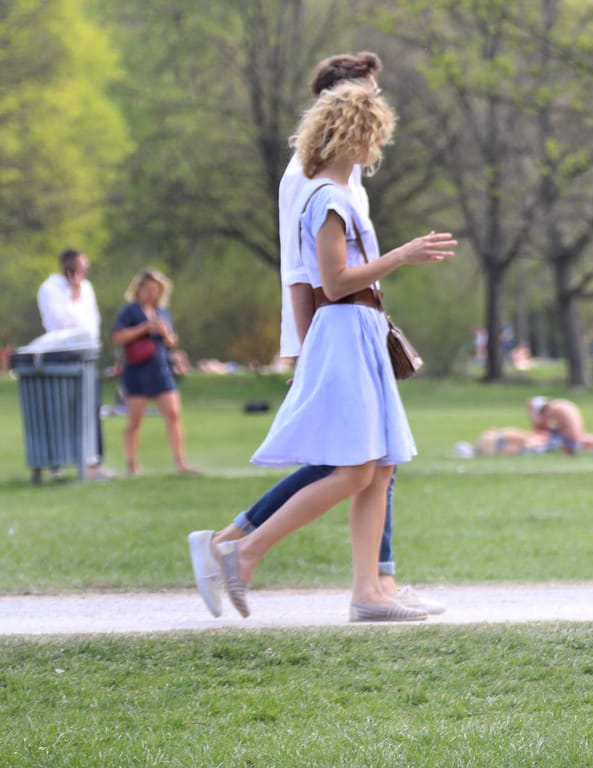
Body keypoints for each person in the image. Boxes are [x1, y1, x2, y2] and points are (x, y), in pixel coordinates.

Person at [187, 52, 442, 620]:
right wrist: (403, 255)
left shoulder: (340, 193)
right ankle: (244, 552)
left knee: (379, 466)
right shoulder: (326, 197)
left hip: (359, 330)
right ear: (355, 133)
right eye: (373, 135)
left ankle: (370, 591)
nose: (377, 148)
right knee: (355, 467)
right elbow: (329, 281)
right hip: (345, 330)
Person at [110, 269, 198, 476]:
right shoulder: (129, 311)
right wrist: (144, 328)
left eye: (155, 290)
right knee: (135, 420)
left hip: (160, 368)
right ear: (138, 289)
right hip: (137, 371)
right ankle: (131, 465)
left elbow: (172, 342)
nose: (151, 293)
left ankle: (181, 462)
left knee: (173, 414)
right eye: (147, 289)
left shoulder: (162, 312)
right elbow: (118, 337)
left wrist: (165, 333)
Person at [35, 248, 114, 480]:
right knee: (58, 409)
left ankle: (93, 462)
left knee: (91, 408)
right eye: (81, 267)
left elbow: (92, 322)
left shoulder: (87, 288)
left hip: (86, 355)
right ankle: (55, 462)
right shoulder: (50, 289)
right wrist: (74, 292)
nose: (84, 272)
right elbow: (61, 322)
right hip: (60, 355)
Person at [527, 396, 593, 455]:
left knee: (539, 439)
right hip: (575, 434)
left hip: (571, 438)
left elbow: (541, 427)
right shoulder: (557, 405)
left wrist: (532, 415)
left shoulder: (551, 410)